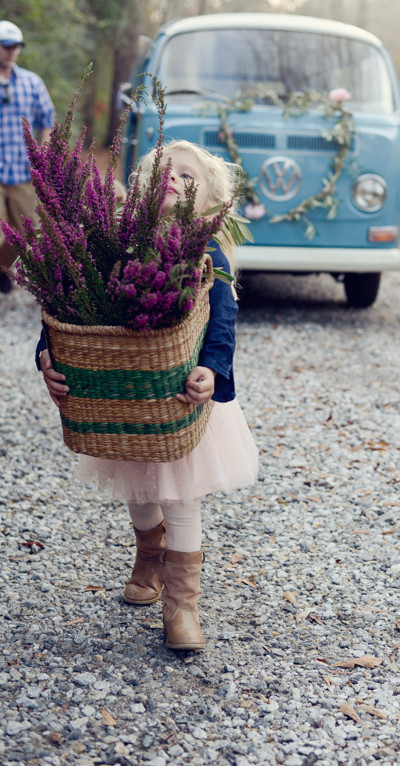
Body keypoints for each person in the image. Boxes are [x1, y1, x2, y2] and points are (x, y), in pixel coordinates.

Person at [37, 140, 259, 651]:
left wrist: (211, 368)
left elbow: (221, 321)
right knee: (138, 486)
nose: (174, 180)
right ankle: (148, 554)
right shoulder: (112, 245)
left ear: (208, 203)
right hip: (125, 398)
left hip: (183, 400)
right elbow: (64, 307)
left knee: (180, 493)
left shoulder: (207, 254)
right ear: (135, 190)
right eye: (163, 172)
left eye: (188, 177)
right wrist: (48, 357)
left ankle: (182, 605)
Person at [0, 20, 55, 293]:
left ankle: (1, 269)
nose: (11, 52)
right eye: (5, 46)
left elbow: (48, 119)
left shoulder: (32, 83)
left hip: (22, 171)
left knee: (26, 232)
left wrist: (43, 153)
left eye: (15, 47)